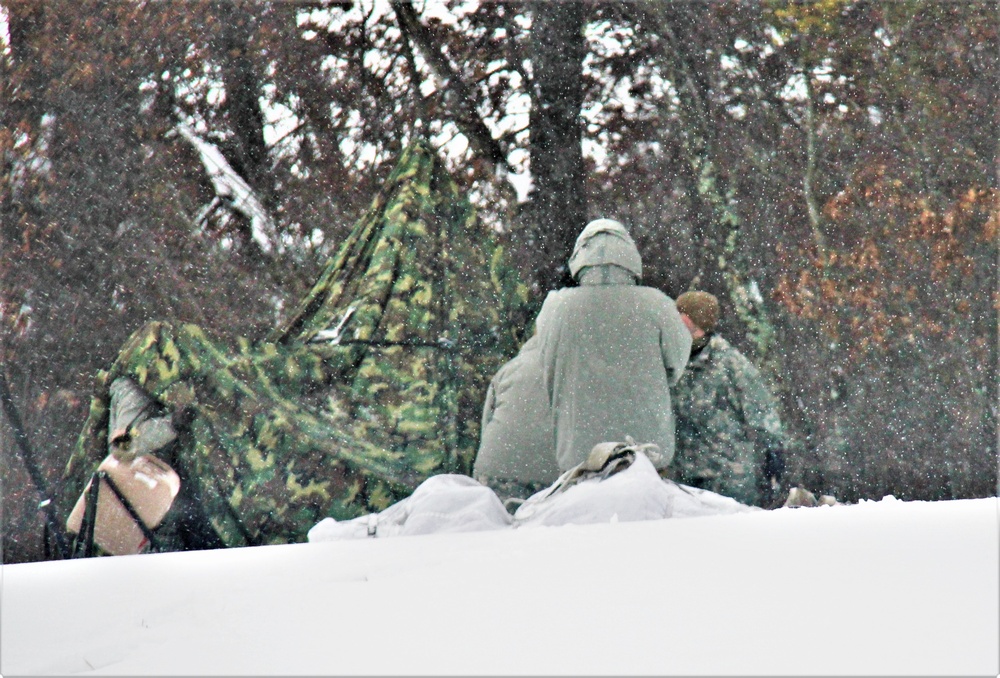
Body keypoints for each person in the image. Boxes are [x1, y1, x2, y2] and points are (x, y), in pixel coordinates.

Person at [474, 218, 691, 506]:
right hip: (646, 452)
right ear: (631, 258)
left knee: (579, 534)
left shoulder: (557, 307)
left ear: (580, 258)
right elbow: (676, 366)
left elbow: (548, 366)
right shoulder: (658, 305)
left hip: (579, 456)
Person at [670, 290, 788, 507]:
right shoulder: (671, 361)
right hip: (681, 480)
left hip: (726, 482)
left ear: (699, 323)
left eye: (682, 318)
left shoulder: (731, 364)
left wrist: (774, 454)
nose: (675, 323)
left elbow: (762, 413)